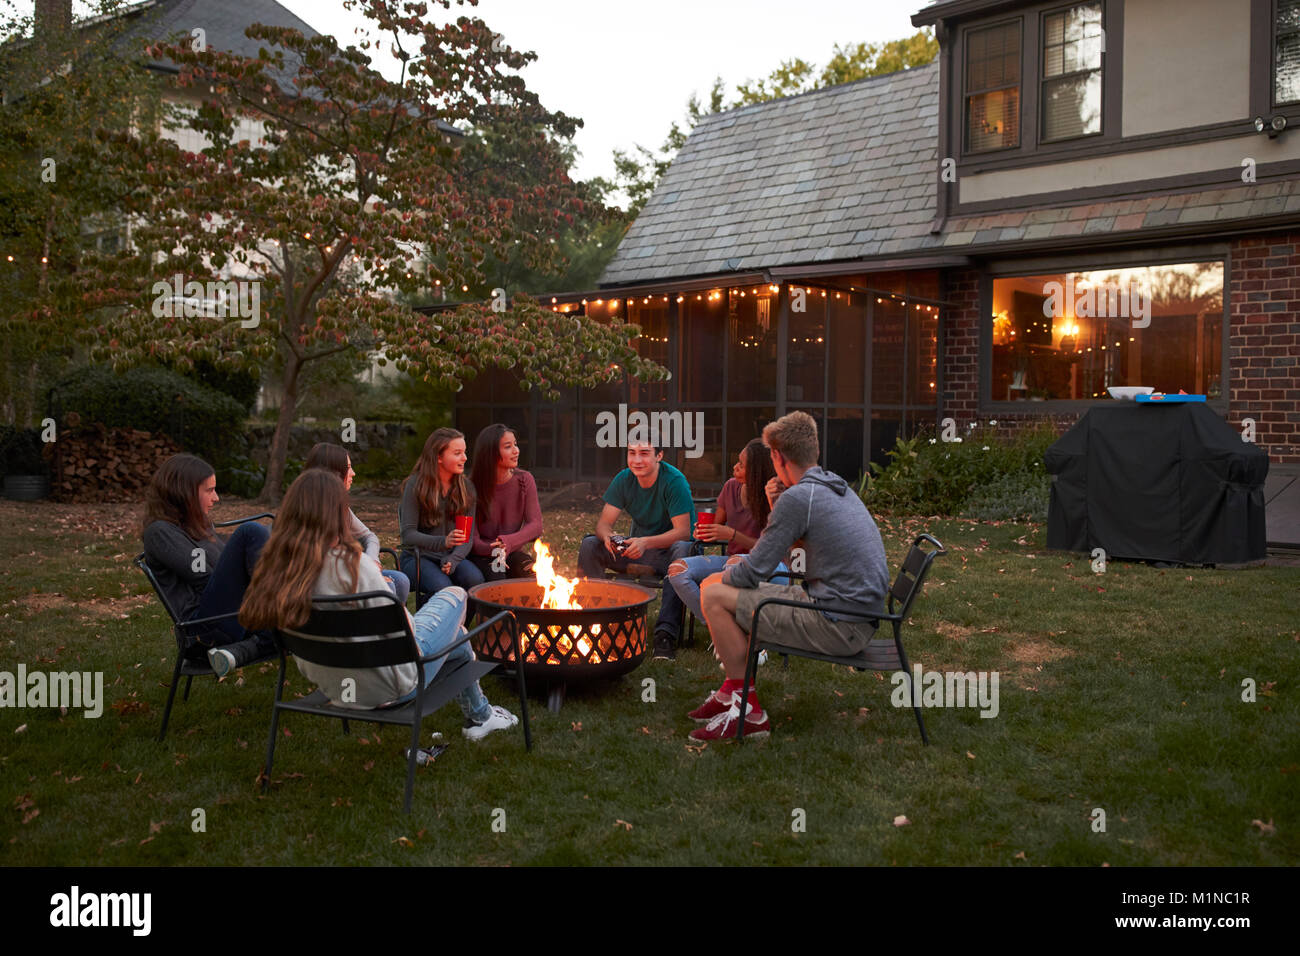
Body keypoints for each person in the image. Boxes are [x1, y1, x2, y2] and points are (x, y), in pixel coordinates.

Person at [239, 469, 517, 740]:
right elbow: (408, 633)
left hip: (335, 687)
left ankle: (481, 714)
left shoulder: (277, 570)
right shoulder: (352, 566)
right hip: (393, 687)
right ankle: (482, 715)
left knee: (456, 637)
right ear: (337, 514)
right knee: (455, 595)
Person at [691, 411, 889, 741]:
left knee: (712, 595)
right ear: (815, 453)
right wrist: (775, 503)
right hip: (855, 613)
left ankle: (748, 711)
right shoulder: (836, 486)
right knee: (715, 588)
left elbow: (756, 569)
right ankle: (732, 691)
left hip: (838, 624)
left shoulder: (799, 498)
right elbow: (800, 547)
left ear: (777, 457)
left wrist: (721, 577)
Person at [140, 453, 272, 677]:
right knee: (251, 532)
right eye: (209, 490)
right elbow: (206, 577)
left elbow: (222, 556)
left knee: (273, 534)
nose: (217, 498)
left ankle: (250, 646)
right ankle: (284, 608)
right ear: (184, 492)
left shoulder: (198, 525)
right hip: (203, 628)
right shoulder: (160, 532)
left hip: (226, 616)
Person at [577, 441, 695, 661]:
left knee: (682, 548)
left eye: (644, 453)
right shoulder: (624, 478)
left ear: (659, 455)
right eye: (632, 453)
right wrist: (609, 537)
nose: (637, 460)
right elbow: (603, 524)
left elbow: (683, 532)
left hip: (669, 552)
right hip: (638, 549)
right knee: (591, 544)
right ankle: (590, 619)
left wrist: (645, 542)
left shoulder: (674, 481)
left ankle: (665, 635)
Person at [666, 438, 784, 627]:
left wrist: (732, 535)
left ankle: (741, 633)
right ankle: (720, 627)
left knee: (734, 564)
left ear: (756, 471)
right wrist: (703, 531)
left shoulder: (775, 497)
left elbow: (771, 550)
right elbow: (715, 527)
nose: (735, 467)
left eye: (741, 465)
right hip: (732, 562)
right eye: (737, 462)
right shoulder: (730, 487)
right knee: (678, 571)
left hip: (771, 566)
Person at [304, 442, 411, 605]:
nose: (353, 473)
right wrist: (367, 572)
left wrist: (372, 561)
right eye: (348, 468)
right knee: (390, 586)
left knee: (400, 580)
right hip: (332, 586)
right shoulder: (307, 517)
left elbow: (370, 536)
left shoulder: (342, 509)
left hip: (347, 575)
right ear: (334, 473)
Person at [399, 427, 484, 604]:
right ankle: (427, 625)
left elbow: (466, 537)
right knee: (443, 588)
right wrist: (443, 542)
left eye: (464, 452)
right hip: (417, 557)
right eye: (457, 453)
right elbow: (408, 535)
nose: (465, 458)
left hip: (450, 556)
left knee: (475, 583)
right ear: (439, 457)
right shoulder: (416, 486)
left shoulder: (466, 489)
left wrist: (453, 559)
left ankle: (461, 629)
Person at [467, 423, 542, 581]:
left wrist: (508, 542)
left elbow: (536, 525)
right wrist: (494, 549)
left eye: (515, 444)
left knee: (533, 574)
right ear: (491, 453)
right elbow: (472, 539)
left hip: (512, 550)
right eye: (508, 447)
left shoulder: (524, 479)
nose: (516, 451)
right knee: (498, 578)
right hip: (483, 554)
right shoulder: (470, 487)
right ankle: (501, 607)